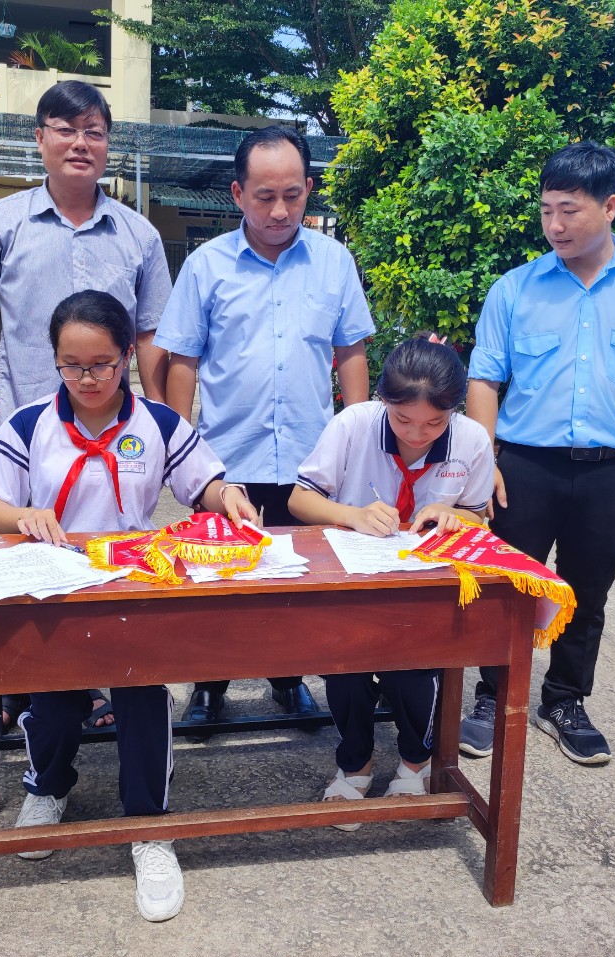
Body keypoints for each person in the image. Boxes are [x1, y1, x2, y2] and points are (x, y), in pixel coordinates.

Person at [0, 289, 258, 922]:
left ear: (127, 355)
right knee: (52, 702)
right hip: (55, 588)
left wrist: (228, 495)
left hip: (132, 588)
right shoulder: (30, 424)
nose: (87, 379)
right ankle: (48, 787)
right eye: (71, 365)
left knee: (142, 697)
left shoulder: (157, 423)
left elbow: (203, 483)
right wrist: (22, 516)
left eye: (101, 364)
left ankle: (149, 826)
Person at [458, 141, 615, 766]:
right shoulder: (515, 289)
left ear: (610, 206)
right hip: (524, 468)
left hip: (612, 471)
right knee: (507, 586)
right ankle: (493, 696)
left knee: (587, 591)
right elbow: (484, 378)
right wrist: (483, 465)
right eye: (546, 211)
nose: (555, 226)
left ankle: (564, 700)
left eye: (569, 211)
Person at [0, 79, 170, 736]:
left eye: (94, 132)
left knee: (105, 550)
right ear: (40, 139)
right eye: (65, 129)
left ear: (108, 144)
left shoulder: (139, 235)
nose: (80, 143)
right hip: (26, 425)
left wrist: (164, 422)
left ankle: (100, 680)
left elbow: (151, 336)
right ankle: (24, 690)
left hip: (109, 429)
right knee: (26, 549)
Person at [154, 125, 376, 737]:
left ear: (309, 189)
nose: (280, 210)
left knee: (297, 580)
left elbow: (351, 352)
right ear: (237, 193)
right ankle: (209, 685)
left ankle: (287, 677)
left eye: (292, 195)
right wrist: (184, 453)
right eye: (264, 196)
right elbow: (182, 361)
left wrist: (357, 438)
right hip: (228, 459)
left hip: (309, 462)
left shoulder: (333, 262)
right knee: (218, 579)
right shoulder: (206, 266)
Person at [288, 334, 493, 825]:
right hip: (354, 580)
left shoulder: (471, 439)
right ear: (383, 401)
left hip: (424, 587)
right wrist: (351, 514)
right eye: (402, 420)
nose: (418, 434)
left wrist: (452, 514)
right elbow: (300, 499)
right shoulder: (353, 424)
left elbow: (479, 517)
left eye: (435, 423)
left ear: (454, 412)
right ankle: (354, 765)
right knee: (345, 668)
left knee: (417, 671)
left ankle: (414, 765)